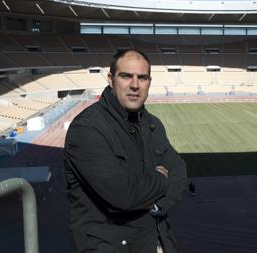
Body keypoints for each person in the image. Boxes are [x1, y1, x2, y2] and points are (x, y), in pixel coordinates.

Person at [64, 49, 187, 253]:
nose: (135, 85)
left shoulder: (152, 124)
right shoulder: (86, 129)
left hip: (157, 242)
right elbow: (122, 195)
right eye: (126, 76)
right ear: (111, 79)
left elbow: (179, 171)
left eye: (142, 78)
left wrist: (156, 207)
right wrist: (160, 179)